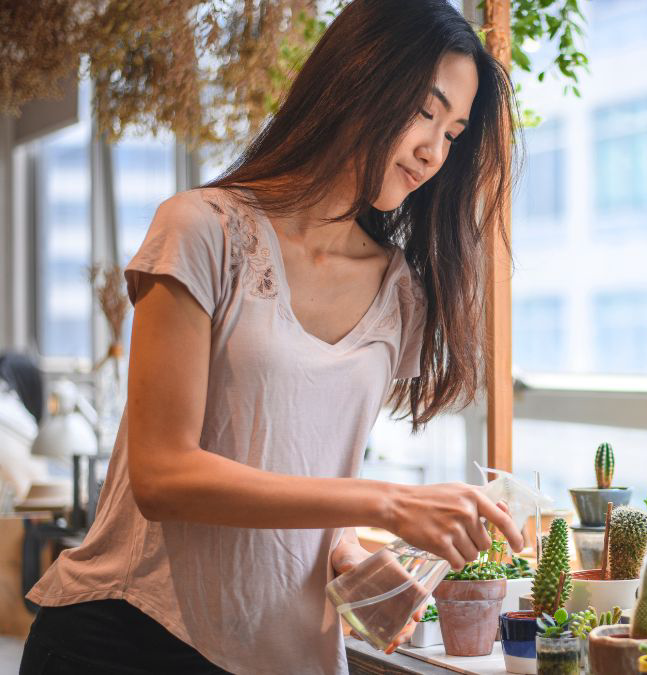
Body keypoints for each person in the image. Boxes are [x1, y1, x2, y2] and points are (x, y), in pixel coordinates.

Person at [21, 1, 521, 673]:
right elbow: (163, 475)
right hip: (127, 637)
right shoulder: (202, 229)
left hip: (284, 653)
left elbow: (303, 465)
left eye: (454, 133)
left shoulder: (399, 293)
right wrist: (390, 502)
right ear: (358, 80)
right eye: (426, 113)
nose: (435, 151)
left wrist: (347, 556)